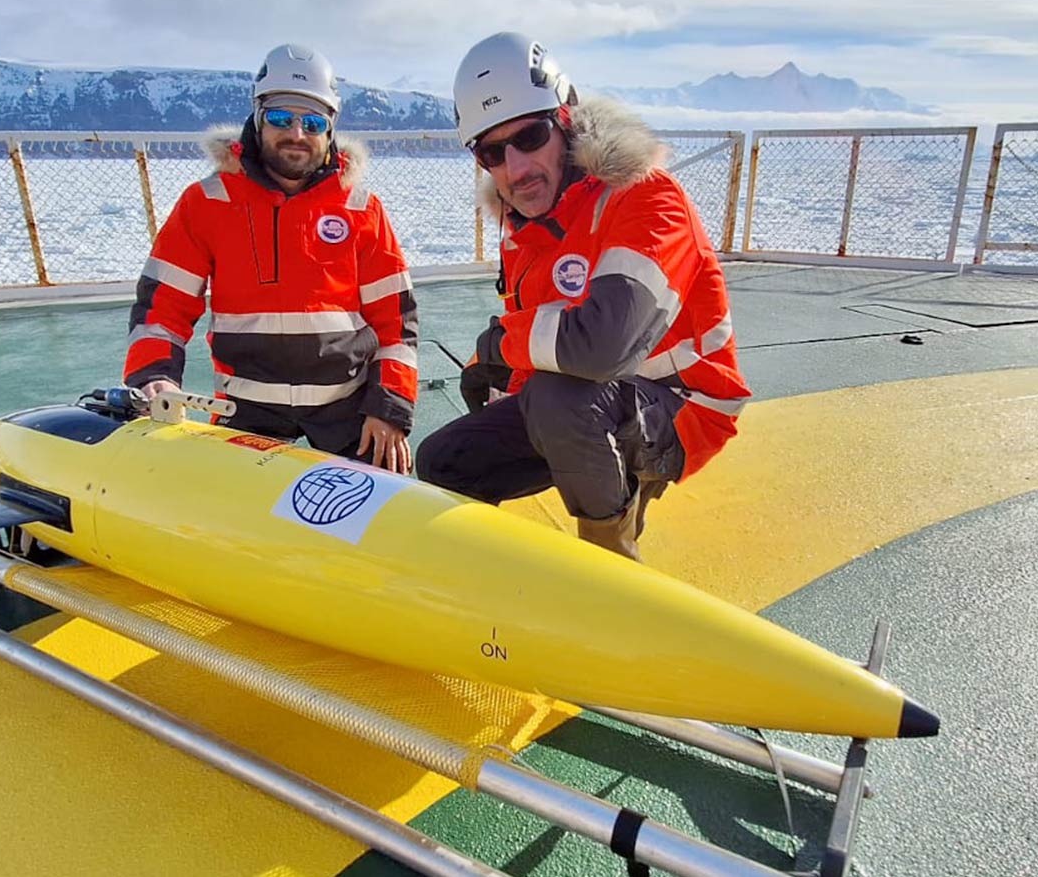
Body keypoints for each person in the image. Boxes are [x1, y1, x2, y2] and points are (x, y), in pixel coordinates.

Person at [416, 32, 750, 560]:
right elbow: (545, 335)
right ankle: (477, 589)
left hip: (683, 407)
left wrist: (499, 345)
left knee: (561, 400)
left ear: (566, 120)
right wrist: (495, 364)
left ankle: (613, 568)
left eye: (529, 137)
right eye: (491, 152)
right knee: (443, 460)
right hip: (589, 401)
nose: (515, 168)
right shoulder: (527, 227)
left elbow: (601, 347)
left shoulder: (645, 196)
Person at [123, 44, 418, 473]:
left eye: (313, 122)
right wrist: (154, 379)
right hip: (246, 409)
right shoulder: (207, 201)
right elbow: (162, 307)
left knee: (386, 515)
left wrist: (388, 407)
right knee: (229, 521)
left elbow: (397, 322)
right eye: (282, 118)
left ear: (330, 129)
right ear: (258, 118)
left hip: (347, 406)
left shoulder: (360, 207)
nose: (297, 134)